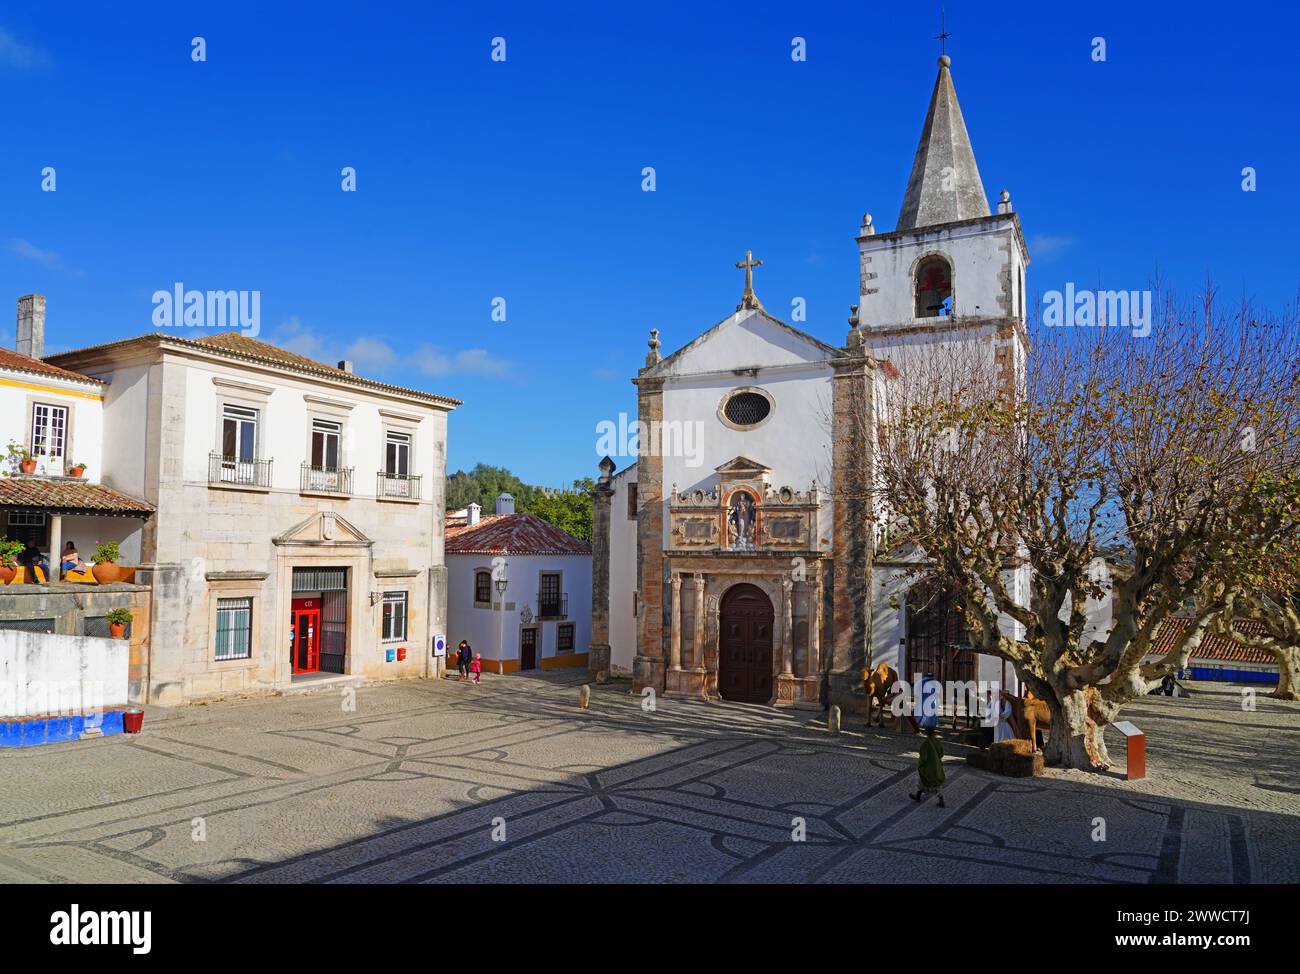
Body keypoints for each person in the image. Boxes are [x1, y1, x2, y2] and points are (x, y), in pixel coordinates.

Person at [910, 726, 946, 807]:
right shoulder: (937, 741)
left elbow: (923, 757)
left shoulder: (925, 744)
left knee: (924, 781)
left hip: (928, 767)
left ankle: (919, 797)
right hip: (936, 766)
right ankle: (919, 796)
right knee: (934, 783)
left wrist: (921, 765)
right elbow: (941, 753)